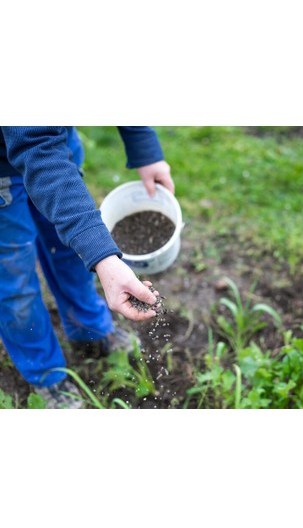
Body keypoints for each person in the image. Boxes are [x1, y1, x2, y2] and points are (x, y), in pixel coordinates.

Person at [0, 126, 175, 408]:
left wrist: (143, 146)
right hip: (9, 166)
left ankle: (88, 327)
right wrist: (104, 258)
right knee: (14, 279)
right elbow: (36, 145)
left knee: (71, 251)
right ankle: (45, 372)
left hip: (57, 142)